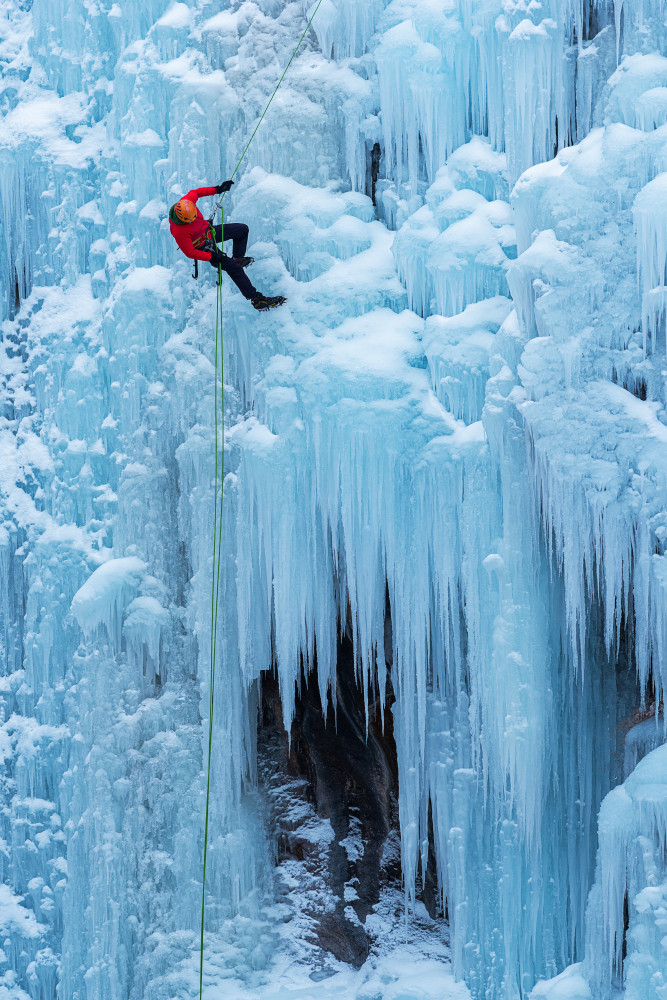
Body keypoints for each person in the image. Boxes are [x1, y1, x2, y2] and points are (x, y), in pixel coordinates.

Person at [169, 181, 286, 311]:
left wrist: (217, 189)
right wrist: (212, 256)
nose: (193, 220)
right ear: (182, 219)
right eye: (190, 220)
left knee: (242, 230)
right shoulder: (179, 231)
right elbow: (190, 252)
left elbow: (197, 192)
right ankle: (257, 300)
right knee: (235, 269)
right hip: (203, 247)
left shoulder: (187, 202)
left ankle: (237, 258)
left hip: (209, 232)